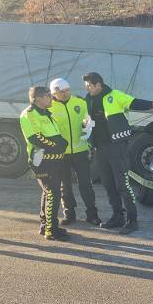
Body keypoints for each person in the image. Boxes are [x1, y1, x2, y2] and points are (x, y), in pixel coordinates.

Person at [83, 72, 153, 234]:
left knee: (122, 183)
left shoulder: (114, 95)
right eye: (86, 86)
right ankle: (117, 216)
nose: (87, 89)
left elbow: (133, 102)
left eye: (89, 86)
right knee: (108, 183)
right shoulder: (88, 99)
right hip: (100, 147)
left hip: (116, 145)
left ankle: (132, 219)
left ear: (98, 85)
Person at [48, 78, 102, 226]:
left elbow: (88, 120)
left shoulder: (80, 102)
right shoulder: (49, 107)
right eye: (61, 92)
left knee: (86, 184)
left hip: (80, 150)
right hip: (61, 153)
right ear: (54, 93)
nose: (65, 94)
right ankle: (69, 214)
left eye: (67, 91)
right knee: (65, 186)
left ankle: (92, 214)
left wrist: (87, 125)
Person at [19, 86, 69, 241]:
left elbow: (53, 134)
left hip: (54, 159)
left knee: (48, 193)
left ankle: (45, 225)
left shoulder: (47, 113)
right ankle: (50, 230)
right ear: (38, 99)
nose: (51, 98)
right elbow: (35, 138)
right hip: (42, 160)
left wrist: (60, 144)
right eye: (48, 95)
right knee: (53, 193)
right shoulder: (29, 114)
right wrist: (56, 145)